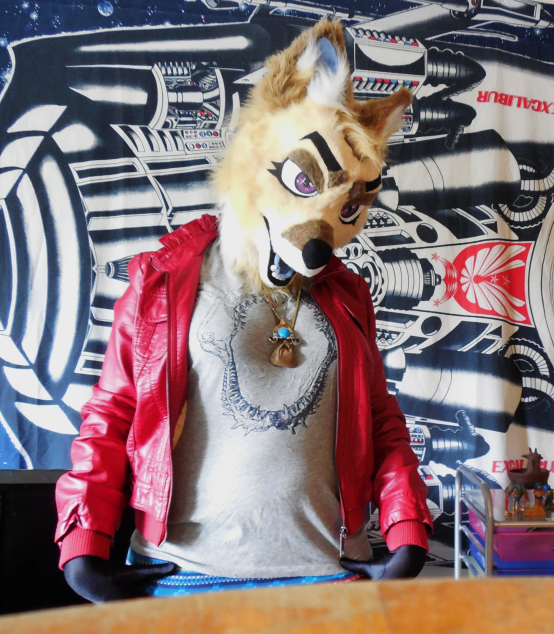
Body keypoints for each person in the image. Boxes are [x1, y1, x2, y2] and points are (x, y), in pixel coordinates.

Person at [54, 19, 433, 602]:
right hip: (184, 576)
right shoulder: (164, 282)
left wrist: (406, 532)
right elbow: (113, 414)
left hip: (328, 576)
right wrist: (83, 547)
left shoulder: (347, 296)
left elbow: (379, 419)